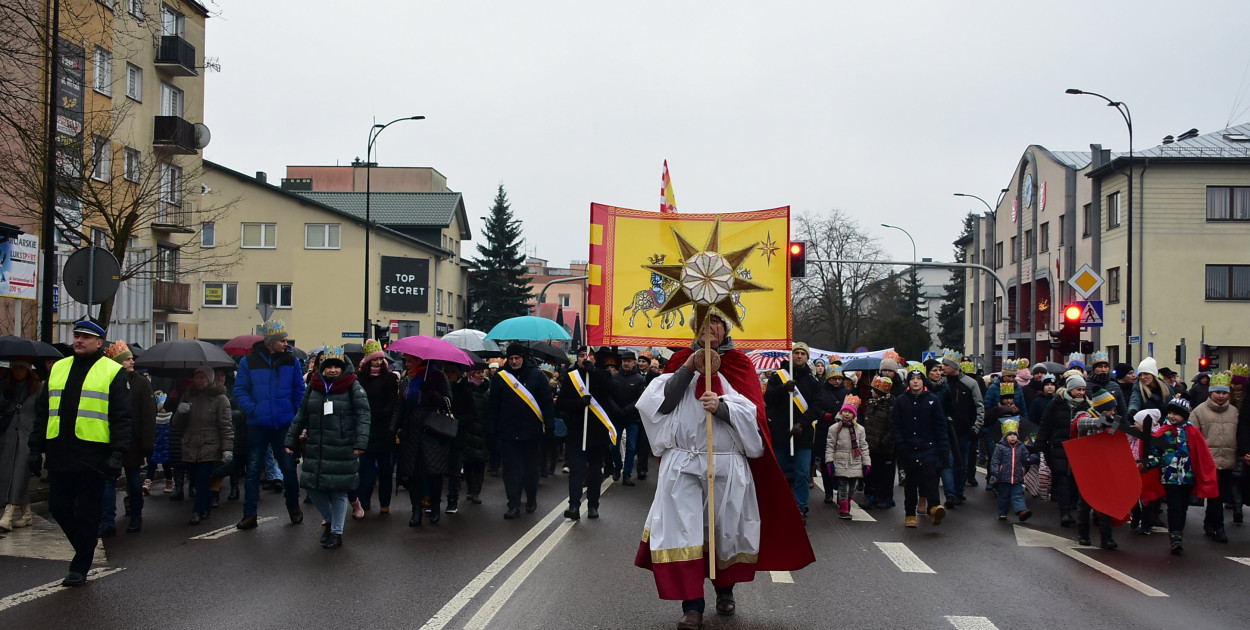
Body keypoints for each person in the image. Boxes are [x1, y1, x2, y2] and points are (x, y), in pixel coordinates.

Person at [635, 313, 813, 630]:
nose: (709, 328)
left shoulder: (739, 365)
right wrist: (690, 366)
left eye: (716, 322)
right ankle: (692, 606)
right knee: (683, 533)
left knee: (724, 532)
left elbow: (755, 418)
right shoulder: (679, 360)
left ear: (726, 328)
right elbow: (659, 405)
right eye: (702, 323)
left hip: (726, 463)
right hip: (684, 464)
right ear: (694, 328)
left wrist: (723, 407)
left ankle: (724, 590)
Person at [28, 317, 132, 586]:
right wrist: (34, 449)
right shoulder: (59, 368)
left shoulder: (112, 371)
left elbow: (122, 417)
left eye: (85, 337)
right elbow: (43, 412)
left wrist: (117, 454)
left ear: (99, 343)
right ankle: (85, 548)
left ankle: (80, 565)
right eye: (77, 335)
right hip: (60, 453)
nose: (79, 340)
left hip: (94, 456)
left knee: (87, 512)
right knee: (58, 508)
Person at [286, 347, 370, 549]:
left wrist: (360, 442)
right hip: (317, 446)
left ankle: (336, 533)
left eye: (336, 367)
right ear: (322, 368)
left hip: (343, 446)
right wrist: (291, 440)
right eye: (329, 366)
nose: (332, 370)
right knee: (312, 487)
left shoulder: (353, 387)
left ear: (343, 368)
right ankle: (331, 520)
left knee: (339, 491)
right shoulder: (314, 387)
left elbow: (364, 415)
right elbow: (302, 414)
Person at [233, 320, 306, 529]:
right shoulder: (248, 362)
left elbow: (299, 392)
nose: (286, 343)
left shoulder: (292, 362)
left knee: (289, 469)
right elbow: (240, 391)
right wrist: (254, 410)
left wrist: (294, 418)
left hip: (283, 425)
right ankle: (249, 514)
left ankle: (293, 507)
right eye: (282, 340)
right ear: (270, 341)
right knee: (254, 469)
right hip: (258, 425)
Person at [1141, 397, 1218, 555]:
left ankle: (1178, 532)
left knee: (1183, 507)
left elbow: (1201, 454)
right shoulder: (1164, 431)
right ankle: (1175, 536)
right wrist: (1149, 463)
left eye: (1176, 413)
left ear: (1184, 415)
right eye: (1169, 412)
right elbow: (1156, 453)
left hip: (1187, 476)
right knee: (1174, 506)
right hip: (1169, 476)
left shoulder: (1192, 431)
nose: (1171, 416)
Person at [489, 344, 554, 520]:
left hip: (531, 433)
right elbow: (493, 407)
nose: (514, 361)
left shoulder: (537, 376)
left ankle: (531, 498)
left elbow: (546, 402)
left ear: (523, 358)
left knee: (530, 471)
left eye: (517, 358)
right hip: (508, 433)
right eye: (511, 359)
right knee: (510, 471)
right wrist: (492, 431)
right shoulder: (501, 378)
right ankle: (513, 505)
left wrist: (549, 425)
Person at [99, 341, 156, 535]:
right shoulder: (107, 381)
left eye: (132, 358)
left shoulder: (141, 383)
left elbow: (148, 414)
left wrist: (148, 443)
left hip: (133, 441)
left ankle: (136, 515)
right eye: (127, 359)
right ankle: (107, 521)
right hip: (110, 438)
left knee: (133, 480)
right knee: (108, 481)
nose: (132, 361)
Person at [558, 347, 620, 520]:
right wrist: (578, 403)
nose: (585, 358)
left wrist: (594, 373)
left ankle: (593, 505)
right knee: (577, 470)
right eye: (581, 355)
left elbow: (611, 390)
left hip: (597, 433)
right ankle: (574, 506)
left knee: (594, 471)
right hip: (577, 432)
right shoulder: (572, 377)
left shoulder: (603, 374)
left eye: (588, 355)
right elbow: (561, 403)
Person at [391, 353, 452, 526]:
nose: (407, 364)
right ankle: (416, 510)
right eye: (406, 361)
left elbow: (448, 402)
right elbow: (399, 407)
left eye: (410, 361)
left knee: (434, 473)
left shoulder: (437, 377)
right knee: (413, 474)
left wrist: (432, 393)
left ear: (420, 360)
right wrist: (392, 428)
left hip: (432, 432)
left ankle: (434, 508)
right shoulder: (407, 380)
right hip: (411, 433)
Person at [763, 342, 821, 519]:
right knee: (780, 473)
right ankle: (781, 506)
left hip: (802, 436)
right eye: (797, 353)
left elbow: (816, 407)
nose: (800, 356)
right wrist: (783, 389)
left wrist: (801, 424)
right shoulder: (778, 377)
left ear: (807, 357)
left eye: (803, 353)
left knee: (802, 473)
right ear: (792, 355)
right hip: (781, 433)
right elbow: (768, 399)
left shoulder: (813, 381)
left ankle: (799, 508)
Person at [174, 366, 233, 525]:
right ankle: (206, 505)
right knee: (195, 478)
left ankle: (197, 511)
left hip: (210, 445)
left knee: (202, 478)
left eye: (202, 377)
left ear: (210, 379)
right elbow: (177, 423)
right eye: (197, 377)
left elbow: (226, 425)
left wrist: (227, 448)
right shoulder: (188, 396)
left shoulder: (220, 398)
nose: (199, 381)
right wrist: (181, 411)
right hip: (190, 445)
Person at [891, 367, 949, 528]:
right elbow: (895, 424)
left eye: (918, 378)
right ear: (908, 382)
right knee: (911, 482)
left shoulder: (932, 400)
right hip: (909, 448)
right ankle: (910, 514)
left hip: (928, 447)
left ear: (923, 381)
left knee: (930, 478)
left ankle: (934, 508)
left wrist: (943, 447)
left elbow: (940, 425)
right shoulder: (902, 401)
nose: (915, 381)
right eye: (912, 378)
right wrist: (900, 443)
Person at [1190, 371, 1238, 542]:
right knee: (1215, 495)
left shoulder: (1234, 412)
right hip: (1208, 461)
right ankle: (1219, 527)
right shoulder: (1199, 411)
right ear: (1211, 392)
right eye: (1217, 392)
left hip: (1228, 460)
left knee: (1219, 495)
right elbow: (1192, 436)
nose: (1221, 396)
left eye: (1224, 393)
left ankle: (1209, 522)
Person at [1037, 374, 1090, 528]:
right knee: (1063, 481)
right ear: (1070, 389)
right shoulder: (1057, 403)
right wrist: (1040, 444)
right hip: (1059, 448)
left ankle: (1075, 508)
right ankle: (1064, 512)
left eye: (1083, 389)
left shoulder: (1087, 406)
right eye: (1078, 389)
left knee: (1075, 481)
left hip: (1079, 449)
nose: (1081, 392)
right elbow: (1046, 424)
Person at [355, 340, 398, 515]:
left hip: (384, 429)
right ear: (368, 361)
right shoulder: (360, 379)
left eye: (380, 359)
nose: (378, 363)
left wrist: (383, 416)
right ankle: (364, 501)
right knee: (366, 471)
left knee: (386, 471)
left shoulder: (390, 378)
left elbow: (393, 402)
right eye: (375, 360)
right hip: (366, 430)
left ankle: (385, 503)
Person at [0, 357, 40, 533]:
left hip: (27, 436)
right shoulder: (7, 388)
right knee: (8, 473)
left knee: (19, 474)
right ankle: (26, 514)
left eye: (21, 368)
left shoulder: (38, 389)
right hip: (8, 436)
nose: (17, 372)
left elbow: (41, 412)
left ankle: (8, 513)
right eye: (15, 368)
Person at [941, 350, 985, 496]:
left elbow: (979, 406)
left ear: (955, 366)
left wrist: (975, 427)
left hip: (964, 431)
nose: (943, 368)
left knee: (962, 463)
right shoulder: (942, 383)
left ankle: (959, 491)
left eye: (946, 365)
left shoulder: (970, 383)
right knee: (949, 462)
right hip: (946, 430)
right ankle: (951, 493)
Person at [825, 395, 870, 519]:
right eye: (845, 411)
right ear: (841, 412)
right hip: (840, 461)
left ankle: (847, 501)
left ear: (854, 415)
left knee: (853, 487)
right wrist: (829, 461)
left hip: (855, 461)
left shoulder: (859, 429)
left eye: (850, 412)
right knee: (843, 486)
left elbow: (864, 447)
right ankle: (844, 509)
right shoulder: (834, 429)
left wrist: (867, 463)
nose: (847, 414)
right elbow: (830, 446)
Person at [816, 365, 852, 504]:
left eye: (839, 379)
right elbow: (816, 407)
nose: (837, 382)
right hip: (825, 431)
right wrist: (823, 414)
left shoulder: (847, 392)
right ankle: (828, 492)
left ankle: (840, 491)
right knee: (827, 463)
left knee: (842, 462)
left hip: (843, 432)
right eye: (833, 379)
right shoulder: (821, 391)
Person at [860, 374, 897, 509]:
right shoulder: (870, 404)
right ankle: (869, 494)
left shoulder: (891, 406)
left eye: (874, 389)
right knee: (870, 473)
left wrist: (884, 442)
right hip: (870, 446)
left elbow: (893, 428)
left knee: (885, 474)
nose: (871, 391)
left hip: (885, 449)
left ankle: (885, 497)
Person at [613, 350, 647, 486]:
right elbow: (609, 395)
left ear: (634, 363)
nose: (626, 363)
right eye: (624, 361)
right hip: (616, 417)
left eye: (629, 361)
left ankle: (627, 474)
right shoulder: (614, 377)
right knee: (613, 445)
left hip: (632, 418)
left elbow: (641, 399)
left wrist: (627, 409)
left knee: (631, 447)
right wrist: (616, 409)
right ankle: (617, 465)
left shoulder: (640, 379)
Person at [990, 424, 1033, 521]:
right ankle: (1002, 513)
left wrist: (1033, 458)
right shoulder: (1000, 447)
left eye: (1015, 435)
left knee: (1018, 495)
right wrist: (995, 472)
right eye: (1010, 435)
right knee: (1003, 497)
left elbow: (1026, 459)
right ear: (1005, 437)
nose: (1013, 437)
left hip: (1017, 477)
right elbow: (995, 460)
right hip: (1003, 477)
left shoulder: (1021, 447)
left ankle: (1022, 511)